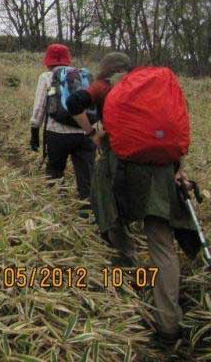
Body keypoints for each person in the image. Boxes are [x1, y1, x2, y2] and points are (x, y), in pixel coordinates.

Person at [66, 52, 200, 344]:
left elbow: (73, 102)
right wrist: (179, 170)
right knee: (162, 245)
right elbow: (175, 132)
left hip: (123, 173)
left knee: (113, 225)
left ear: (109, 72)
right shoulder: (159, 88)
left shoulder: (105, 87)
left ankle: (132, 283)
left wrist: (93, 134)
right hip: (164, 171)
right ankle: (168, 324)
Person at [29, 44, 95, 204]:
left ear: (48, 61)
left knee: (55, 171)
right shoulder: (83, 76)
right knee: (86, 176)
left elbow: (39, 107)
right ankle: (87, 211)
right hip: (84, 133)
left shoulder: (46, 77)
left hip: (57, 134)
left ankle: (55, 207)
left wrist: (34, 133)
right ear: (68, 59)